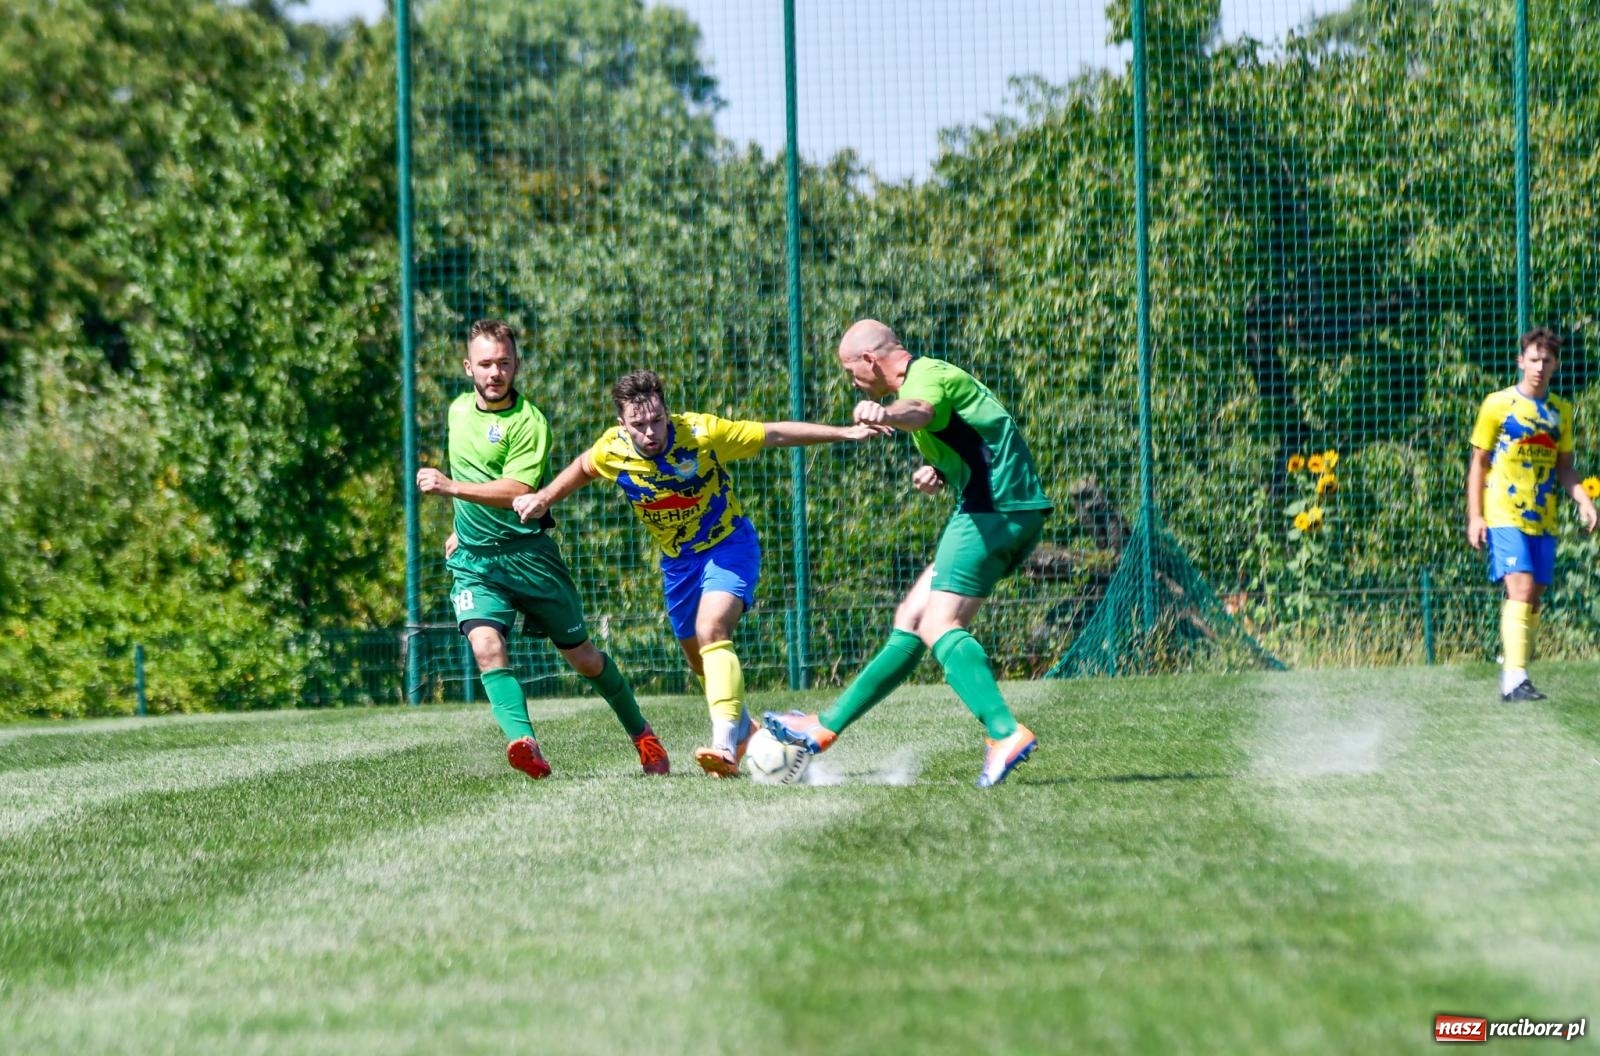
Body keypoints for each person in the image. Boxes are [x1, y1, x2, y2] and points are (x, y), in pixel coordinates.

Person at [512, 369, 885, 777]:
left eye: (657, 420)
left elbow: (772, 433)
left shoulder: (702, 432)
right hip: (678, 564)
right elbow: (585, 466)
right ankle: (746, 733)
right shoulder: (613, 449)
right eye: (639, 425)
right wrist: (545, 497)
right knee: (699, 661)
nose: (651, 432)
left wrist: (842, 433)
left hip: (729, 545)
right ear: (622, 425)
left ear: (667, 412)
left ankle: (723, 744)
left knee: (712, 631)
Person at [765, 319, 1054, 788]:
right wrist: (938, 471)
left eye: (851, 372)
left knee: (940, 624)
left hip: (991, 512)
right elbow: (972, 440)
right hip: (1005, 510)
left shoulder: (921, 380)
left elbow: (919, 409)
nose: (852, 381)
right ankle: (824, 727)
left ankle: (1005, 732)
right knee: (913, 617)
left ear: (870, 361)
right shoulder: (933, 374)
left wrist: (888, 415)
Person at [417, 319, 669, 780]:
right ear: (468, 367)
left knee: (584, 658)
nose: (496, 373)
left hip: (529, 559)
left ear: (516, 366)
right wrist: (461, 526)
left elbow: (516, 488)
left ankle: (644, 736)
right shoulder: (456, 411)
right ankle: (524, 743)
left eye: (504, 363)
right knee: (486, 647)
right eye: (487, 364)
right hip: (475, 562)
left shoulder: (529, 422)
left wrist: (451, 488)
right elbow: (476, 475)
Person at [1466, 326, 1598, 701]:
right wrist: (1476, 516)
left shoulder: (1561, 411)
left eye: (1547, 360)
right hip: (1504, 512)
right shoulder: (1497, 404)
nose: (1539, 366)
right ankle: (1514, 678)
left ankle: (1515, 663)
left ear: (1555, 365)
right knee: (1521, 589)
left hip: (1544, 516)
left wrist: (1584, 500)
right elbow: (1478, 463)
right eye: (1534, 359)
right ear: (1520, 361)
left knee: (1534, 596)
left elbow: (1565, 468)